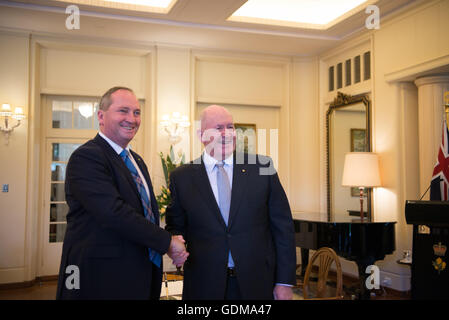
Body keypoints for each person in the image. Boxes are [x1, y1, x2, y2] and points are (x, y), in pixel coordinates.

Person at [56, 86, 188, 300]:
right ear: (101, 116)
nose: (132, 119)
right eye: (123, 111)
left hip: (139, 272)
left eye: (136, 112)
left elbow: (146, 213)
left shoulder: (137, 161)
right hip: (100, 278)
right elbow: (114, 213)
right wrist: (167, 242)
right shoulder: (87, 157)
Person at [165, 105, 296, 300]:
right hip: (203, 285)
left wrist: (284, 282)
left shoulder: (262, 168)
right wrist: (174, 244)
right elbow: (175, 226)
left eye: (231, 127)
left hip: (257, 283)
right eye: (219, 128)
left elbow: (283, 228)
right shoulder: (181, 177)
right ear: (202, 135)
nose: (227, 133)